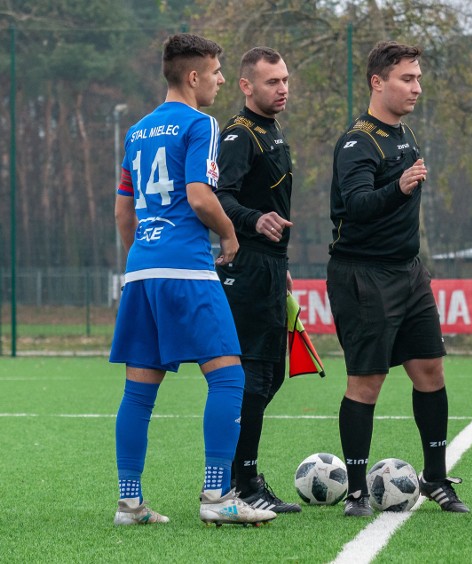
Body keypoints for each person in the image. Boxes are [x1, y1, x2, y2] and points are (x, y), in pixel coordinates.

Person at [110, 34, 276, 526]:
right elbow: (201, 196)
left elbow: (123, 210)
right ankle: (217, 496)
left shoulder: (136, 131)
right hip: (187, 269)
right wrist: (229, 236)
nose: (222, 79)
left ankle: (129, 502)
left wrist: (142, 258)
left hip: (142, 271)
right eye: (218, 71)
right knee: (228, 375)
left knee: (138, 391)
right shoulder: (200, 123)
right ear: (194, 76)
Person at [327, 41, 469, 517]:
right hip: (363, 275)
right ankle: (354, 491)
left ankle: (435, 478)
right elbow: (358, 206)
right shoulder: (356, 142)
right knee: (366, 382)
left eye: (418, 78)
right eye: (407, 79)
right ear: (377, 82)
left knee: (430, 370)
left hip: (409, 273)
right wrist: (400, 185)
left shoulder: (404, 133)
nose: (416, 87)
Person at [215, 46, 301, 514]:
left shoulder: (272, 129)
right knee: (252, 377)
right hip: (244, 269)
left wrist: (279, 260)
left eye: (285, 79)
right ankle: (237, 481)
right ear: (247, 86)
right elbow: (216, 198)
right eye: (272, 82)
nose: (283, 88)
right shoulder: (238, 134)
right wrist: (254, 223)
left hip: (269, 267)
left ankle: (243, 475)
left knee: (271, 376)